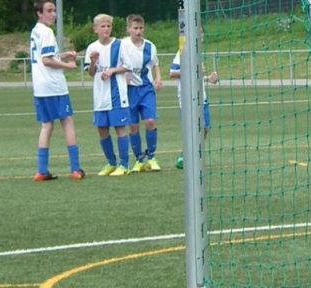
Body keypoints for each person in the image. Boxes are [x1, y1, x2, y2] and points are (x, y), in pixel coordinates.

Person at [29, 0, 84, 181]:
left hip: (40, 87)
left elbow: (46, 56)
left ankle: (41, 171)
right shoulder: (47, 32)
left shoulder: (36, 31)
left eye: (54, 10)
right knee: (67, 121)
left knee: (46, 126)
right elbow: (47, 60)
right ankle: (75, 169)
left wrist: (63, 54)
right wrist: (68, 65)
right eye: (49, 11)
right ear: (39, 13)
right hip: (54, 86)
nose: (53, 14)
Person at [85, 13, 132, 177]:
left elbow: (128, 66)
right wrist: (93, 62)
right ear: (95, 29)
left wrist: (112, 71)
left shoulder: (120, 45)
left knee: (120, 128)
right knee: (102, 130)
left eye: (108, 26)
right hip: (100, 96)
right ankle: (111, 163)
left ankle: (124, 164)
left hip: (117, 94)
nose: (106, 29)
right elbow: (91, 73)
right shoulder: (92, 48)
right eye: (103, 26)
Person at [170, 27, 218, 169]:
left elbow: (196, 76)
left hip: (201, 97)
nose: (200, 35)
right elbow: (172, 73)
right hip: (188, 99)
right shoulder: (183, 50)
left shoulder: (198, 52)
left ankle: (192, 155)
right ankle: (184, 157)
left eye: (201, 33)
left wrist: (208, 79)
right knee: (192, 129)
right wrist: (192, 69)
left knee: (205, 128)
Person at [121, 14, 163, 173]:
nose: (138, 31)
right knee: (133, 126)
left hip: (146, 88)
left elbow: (155, 64)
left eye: (140, 28)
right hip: (130, 90)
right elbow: (117, 63)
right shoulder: (122, 45)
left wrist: (158, 78)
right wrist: (123, 76)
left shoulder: (150, 46)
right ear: (128, 29)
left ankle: (151, 157)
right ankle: (139, 159)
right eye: (135, 28)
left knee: (150, 121)